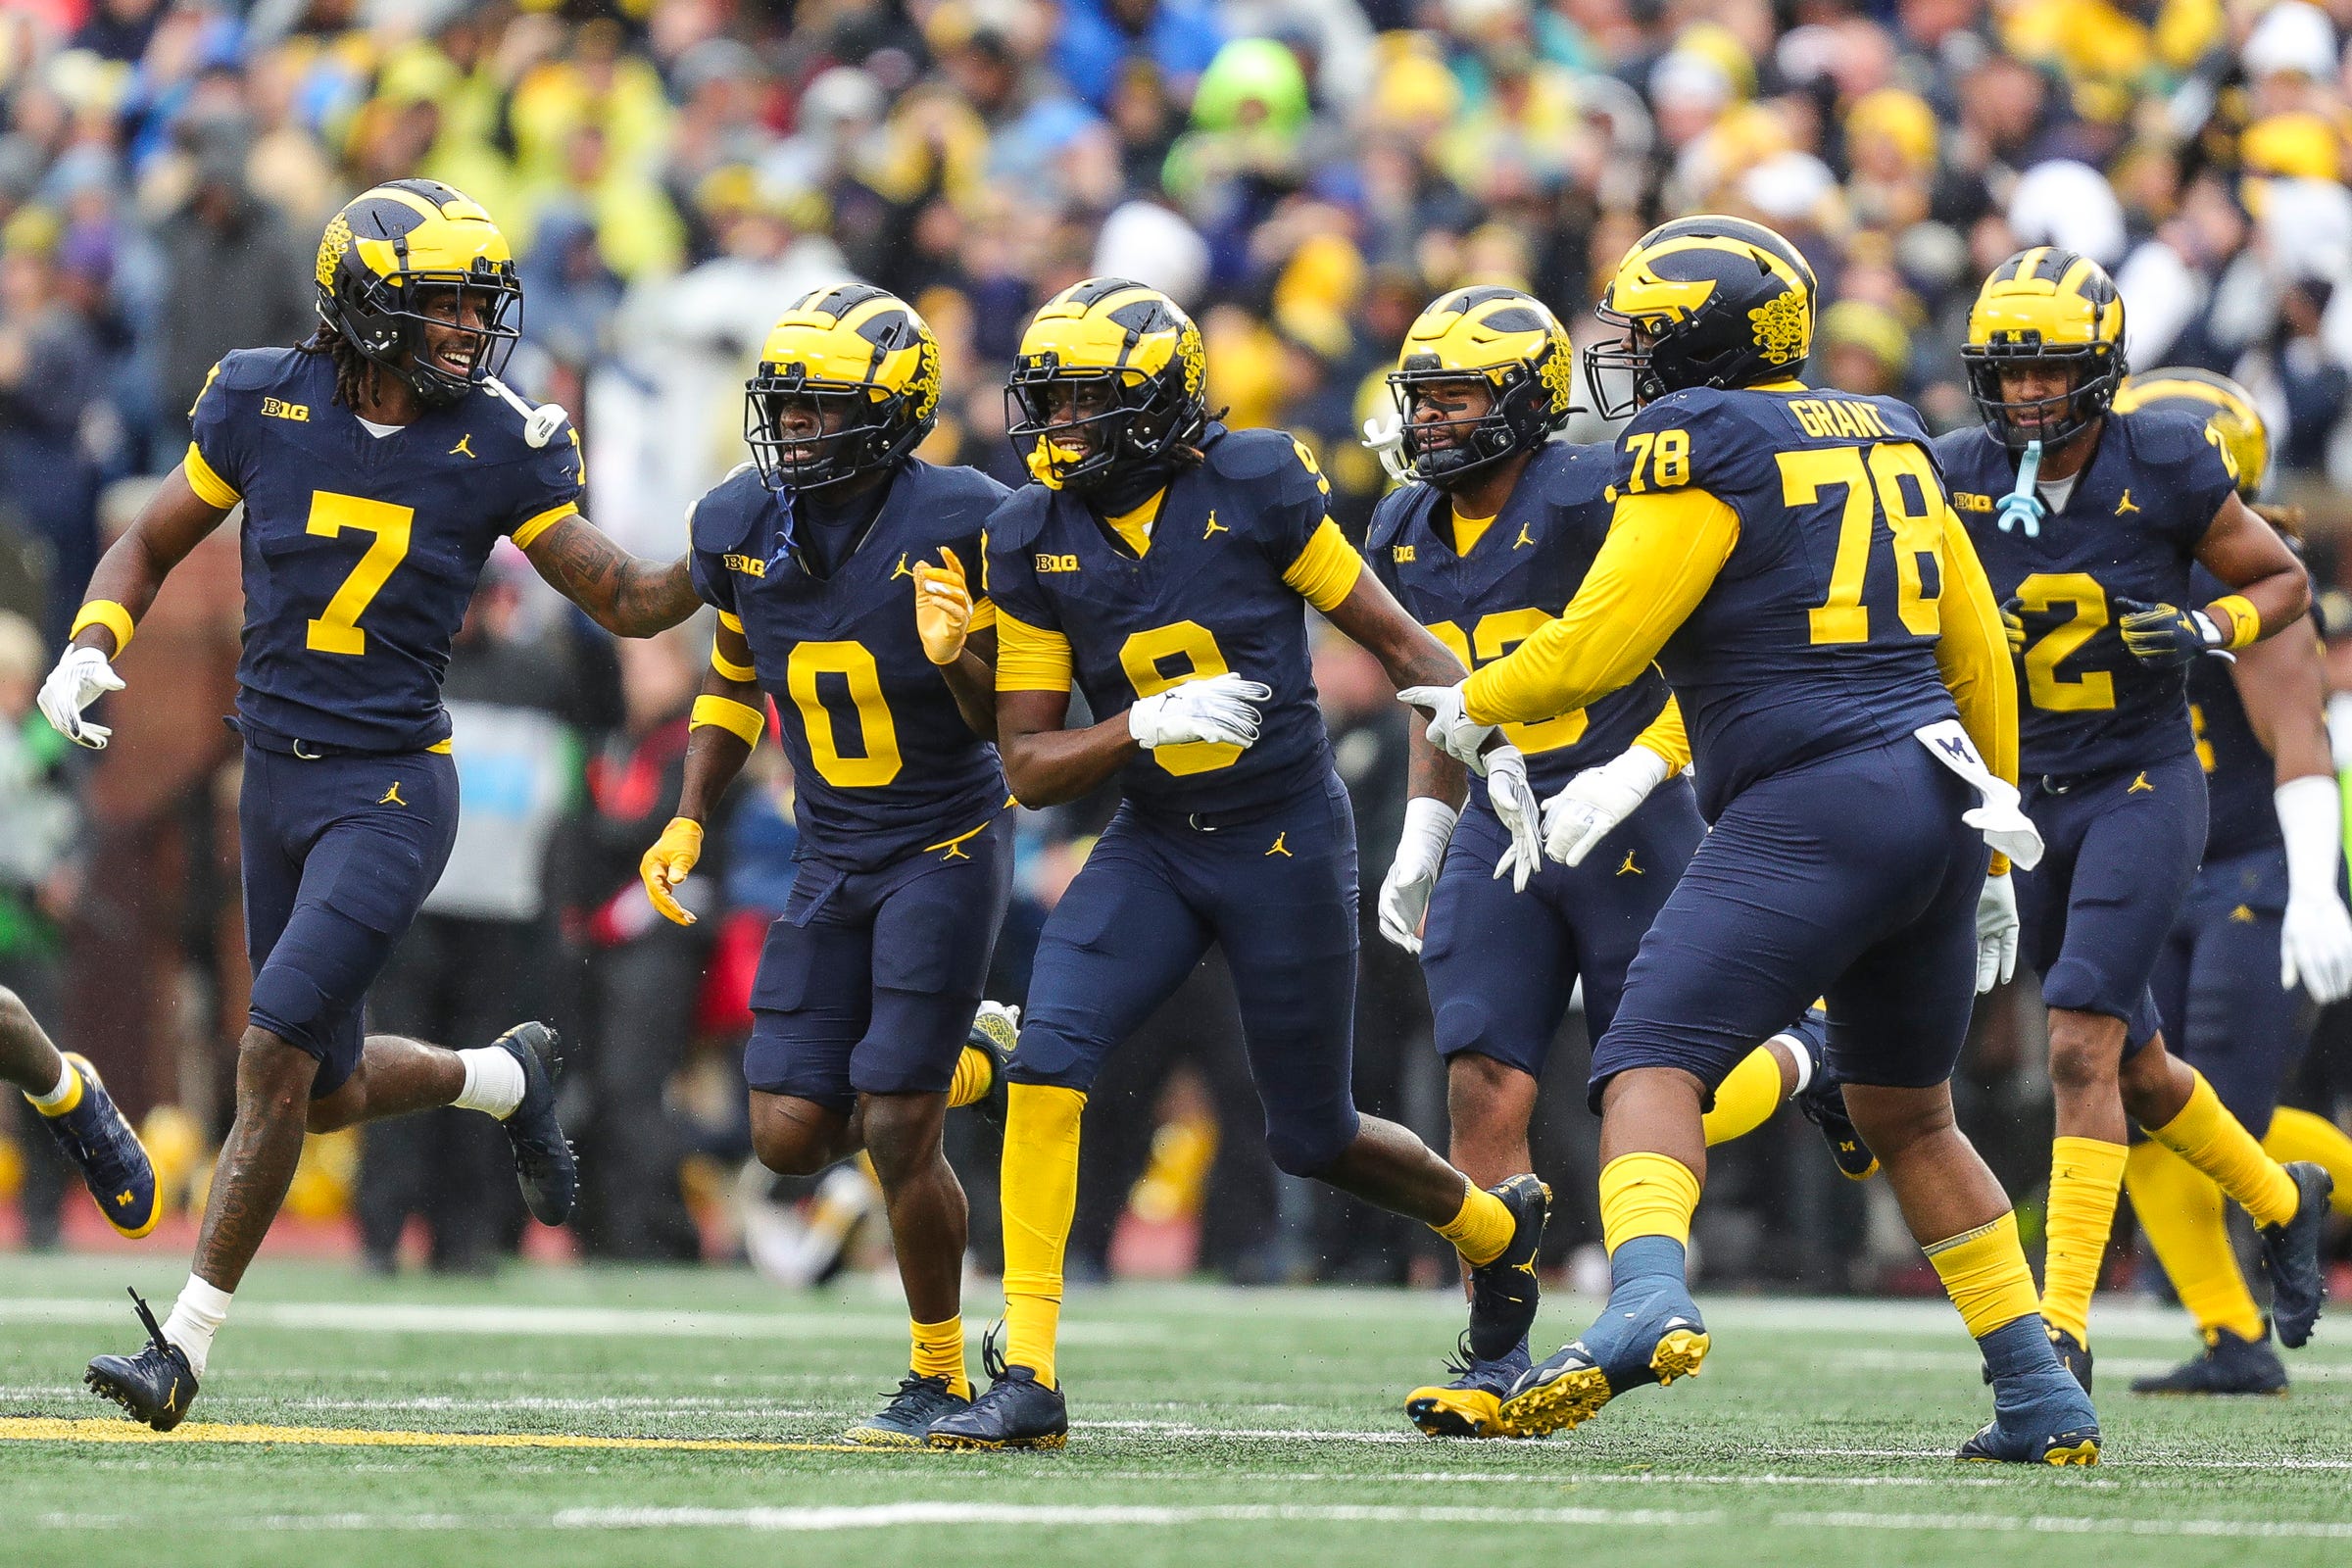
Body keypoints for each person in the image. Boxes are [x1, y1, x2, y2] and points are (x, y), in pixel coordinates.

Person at [1410, 215, 2097, 1464]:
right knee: (1912, 1114)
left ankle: (1644, 1294)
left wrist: (1478, 700)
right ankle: (2041, 1393)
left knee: (1646, 1062)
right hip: (1939, 792)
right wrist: (1996, 837)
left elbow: (1602, 645)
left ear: (1706, 343)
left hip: (1815, 796)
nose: (1625, 355)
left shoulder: (1697, 441)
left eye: (1647, 332)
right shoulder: (1886, 425)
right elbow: (1978, 650)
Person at [38, 179, 705, 1431]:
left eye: (474, 303)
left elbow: (616, 595)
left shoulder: (500, 437)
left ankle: (181, 1345)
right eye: (438, 303)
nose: (466, 327)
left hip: (393, 786)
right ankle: (499, 1079)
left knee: (270, 1053)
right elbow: (150, 544)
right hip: (273, 780)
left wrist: (711, 560)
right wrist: (89, 640)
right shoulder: (257, 397)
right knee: (325, 1088)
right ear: (362, 307)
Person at [925, 277, 1549, 1450]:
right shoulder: (1031, 534)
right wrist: (1135, 728)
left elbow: (1398, 638)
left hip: (1285, 837)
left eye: (1083, 402)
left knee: (1313, 1134)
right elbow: (1029, 765)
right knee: (1050, 1060)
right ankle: (1031, 1368)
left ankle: (1489, 1231)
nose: (1056, 426)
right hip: (1157, 840)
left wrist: (1481, 741)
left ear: (1156, 405)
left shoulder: (1256, 484)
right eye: (1047, 401)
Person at [1364, 285, 1875, 1439]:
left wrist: (1639, 772)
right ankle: (1496, 1352)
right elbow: (1434, 695)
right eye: (1425, 394)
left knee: (1647, 1078)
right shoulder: (1401, 524)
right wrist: (1426, 826)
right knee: (1481, 1078)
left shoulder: (1600, 492)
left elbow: (1713, 657)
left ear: (1524, 401)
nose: (1435, 418)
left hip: (1628, 807)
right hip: (1506, 814)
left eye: (1460, 395)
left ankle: (1808, 1058)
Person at [638, 283, 1023, 1446]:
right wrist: (692, 812)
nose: (795, 429)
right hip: (828, 851)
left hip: (944, 841)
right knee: (788, 1135)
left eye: (820, 410)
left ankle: (940, 1372)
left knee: (898, 1128)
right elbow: (732, 669)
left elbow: (1016, 716)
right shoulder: (745, 519)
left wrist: (966, 660)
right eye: (787, 408)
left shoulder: (968, 517)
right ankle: (977, 1059)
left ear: (893, 413)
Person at [1941, 252, 2332, 1389]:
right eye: (2007, 375)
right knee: (2142, 1064)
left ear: (2102, 368)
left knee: (2078, 1043)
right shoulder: (1961, 472)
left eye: (2049, 370)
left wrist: (2209, 629)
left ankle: (2059, 1324)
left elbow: (2284, 584)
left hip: (2141, 785)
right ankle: (2279, 1194)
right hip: (2028, 798)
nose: (2025, 396)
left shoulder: (2160, 458)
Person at [2104, 368, 2352, 1395]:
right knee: (2143, 1099)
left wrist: (2314, 886)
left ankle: (2237, 1329)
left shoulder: (2247, 576)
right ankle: (2232, 1339)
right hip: (2165, 859)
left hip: (2258, 865)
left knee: (2223, 1122)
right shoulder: (2103, 556)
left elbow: (2298, 737)